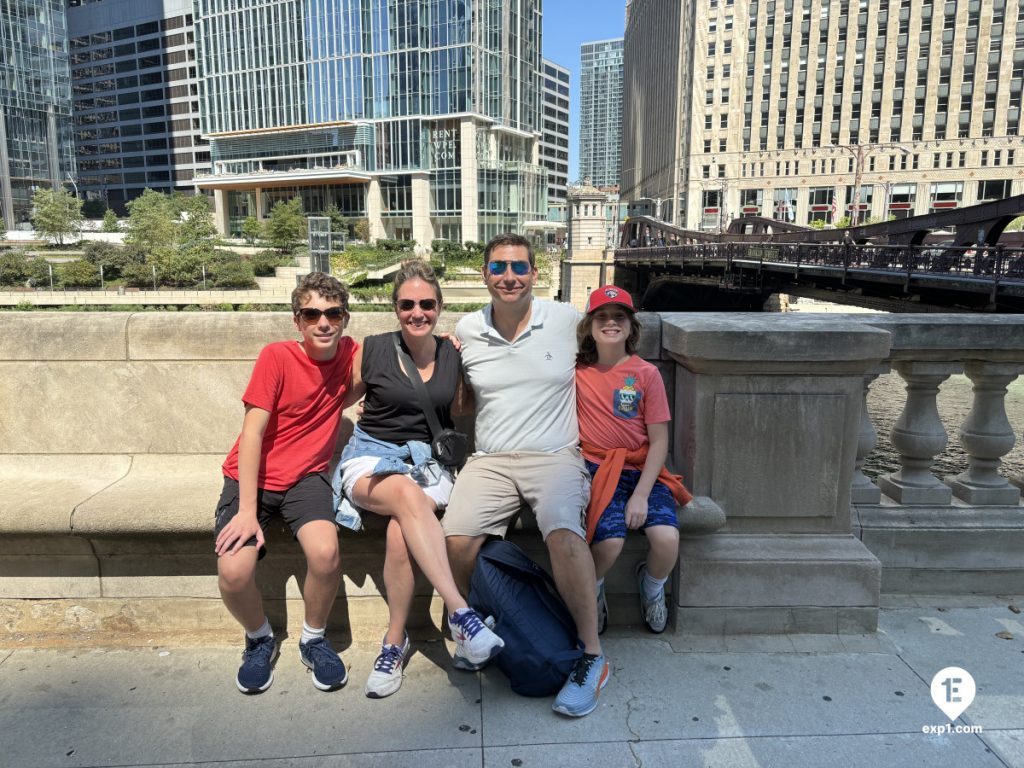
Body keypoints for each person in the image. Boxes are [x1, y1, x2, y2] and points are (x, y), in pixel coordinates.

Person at [442, 233, 607, 718]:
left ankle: (592, 656)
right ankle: (477, 625)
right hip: (491, 458)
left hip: (555, 455)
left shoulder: (566, 320)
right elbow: (462, 402)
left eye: (518, 267)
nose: (508, 276)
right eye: (497, 268)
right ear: (484, 276)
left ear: (536, 273)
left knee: (562, 531)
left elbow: (616, 347)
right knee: (455, 537)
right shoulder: (467, 328)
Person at [336, 259, 504, 699]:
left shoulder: (453, 353)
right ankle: (463, 616)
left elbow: (466, 408)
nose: (417, 312)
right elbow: (332, 399)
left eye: (427, 304)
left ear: (439, 306)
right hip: (370, 458)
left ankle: (395, 641)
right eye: (407, 304)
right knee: (407, 497)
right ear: (395, 307)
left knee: (399, 535)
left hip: (429, 463)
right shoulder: (371, 350)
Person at [214, 272, 358, 695]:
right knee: (233, 572)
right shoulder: (276, 356)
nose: (324, 323)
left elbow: (401, 350)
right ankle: (259, 638)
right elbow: (252, 433)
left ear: (345, 318)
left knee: (326, 552)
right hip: (250, 479)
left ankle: (313, 638)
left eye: (333, 313)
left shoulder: (351, 352)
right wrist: (245, 511)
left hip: (306, 479)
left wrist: (447, 344)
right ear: (298, 321)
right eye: (312, 314)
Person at [575, 285, 693, 636]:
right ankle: (592, 592)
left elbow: (659, 441)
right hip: (597, 468)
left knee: (666, 539)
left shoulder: (645, 374)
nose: (611, 323)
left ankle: (652, 587)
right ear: (589, 327)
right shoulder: (576, 372)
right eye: (602, 317)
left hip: (643, 470)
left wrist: (641, 494)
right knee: (609, 542)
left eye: (619, 317)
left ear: (630, 326)